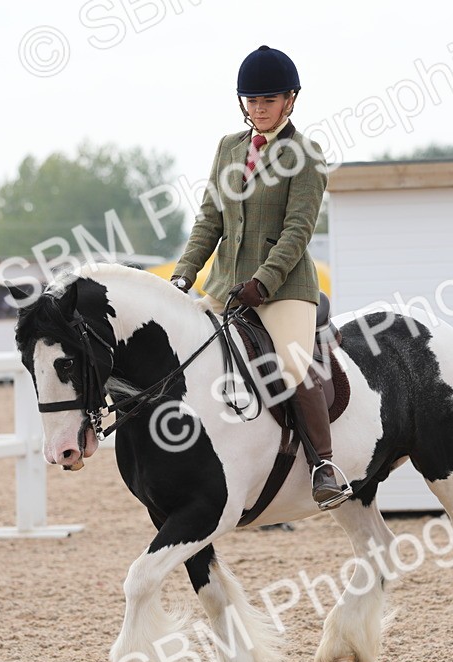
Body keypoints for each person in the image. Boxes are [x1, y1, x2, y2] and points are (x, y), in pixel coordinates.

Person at [170, 45, 352, 510]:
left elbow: (298, 230)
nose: (259, 109)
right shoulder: (228, 148)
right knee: (178, 351)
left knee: (292, 364)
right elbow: (210, 219)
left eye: (268, 100)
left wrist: (265, 283)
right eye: (252, 101)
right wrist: (183, 275)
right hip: (225, 286)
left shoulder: (305, 155)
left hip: (283, 288)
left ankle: (324, 466)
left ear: (291, 100)